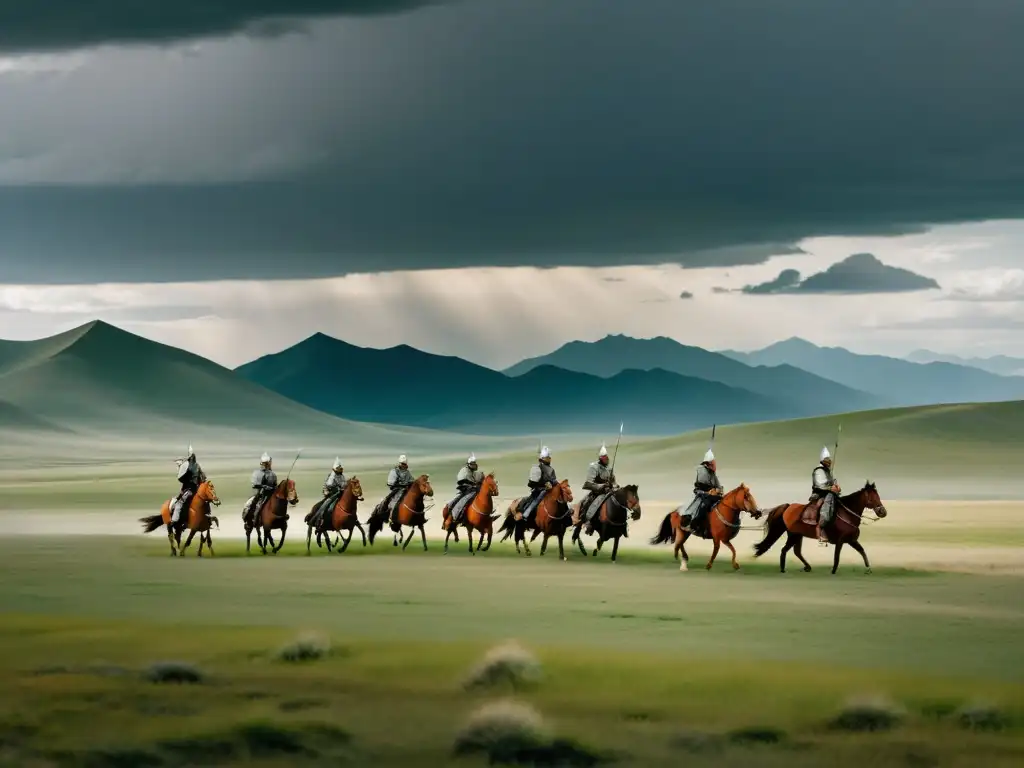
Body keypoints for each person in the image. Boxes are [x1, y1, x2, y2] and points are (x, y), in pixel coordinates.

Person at [681, 448, 723, 534]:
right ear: (709, 463)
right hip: (702, 494)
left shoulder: (712, 473)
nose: (715, 464)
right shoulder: (702, 471)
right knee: (704, 506)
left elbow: (718, 486)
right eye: (713, 462)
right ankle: (694, 524)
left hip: (712, 495)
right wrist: (709, 491)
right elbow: (701, 486)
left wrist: (718, 490)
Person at [577, 444, 617, 534]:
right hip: (597, 493)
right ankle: (588, 522)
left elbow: (614, 482)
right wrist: (601, 486)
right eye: (603, 456)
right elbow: (588, 483)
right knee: (594, 504)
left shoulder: (609, 468)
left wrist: (615, 486)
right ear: (600, 458)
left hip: (609, 492)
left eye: (606, 456)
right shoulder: (593, 467)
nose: (606, 458)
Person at [171, 445, 205, 530]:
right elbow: (203, 477)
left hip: (190, 490)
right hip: (198, 490)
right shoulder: (197, 466)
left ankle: (174, 521)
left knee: (179, 503)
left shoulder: (187, 467)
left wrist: (180, 467)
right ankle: (207, 514)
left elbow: (182, 478)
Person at [811, 446, 841, 541]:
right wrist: (830, 488)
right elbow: (820, 484)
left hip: (830, 492)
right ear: (823, 461)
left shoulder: (827, 471)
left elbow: (833, 481)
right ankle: (821, 526)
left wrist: (836, 486)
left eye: (829, 459)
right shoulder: (818, 471)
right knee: (828, 502)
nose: (829, 461)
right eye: (827, 460)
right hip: (820, 494)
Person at [520, 446, 557, 523]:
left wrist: (553, 483)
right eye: (548, 458)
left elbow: (554, 480)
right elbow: (534, 482)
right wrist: (544, 485)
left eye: (549, 458)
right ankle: (526, 513)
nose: (550, 459)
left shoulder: (551, 469)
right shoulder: (538, 468)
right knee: (537, 499)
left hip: (550, 489)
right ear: (544, 458)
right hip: (540, 490)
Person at [448, 454, 484, 527]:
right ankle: (457, 516)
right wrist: (473, 484)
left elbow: (479, 479)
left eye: (475, 464)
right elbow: (462, 481)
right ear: (469, 464)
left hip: (474, 489)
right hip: (465, 490)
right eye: (472, 464)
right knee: (464, 500)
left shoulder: (475, 472)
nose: (474, 465)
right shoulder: (464, 471)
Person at [313, 457, 348, 531]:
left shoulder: (342, 476)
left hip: (340, 494)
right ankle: (321, 520)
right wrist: (329, 491)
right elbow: (329, 485)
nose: (340, 469)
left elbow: (345, 484)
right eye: (339, 468)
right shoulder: (331, 476)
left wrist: (344, 488)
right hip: (331, 494)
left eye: (340, 468)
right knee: (326, 506)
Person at [246, 453, 277, 525]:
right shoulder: (257, 473)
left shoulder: (273, 474)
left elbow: (275, 485)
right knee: (253, 505)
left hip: (272, 494)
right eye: (266, 463)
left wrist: (275, 488)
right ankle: (253, 520)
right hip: (261, 494)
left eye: (269, 463)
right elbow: (254, 485)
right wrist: (265, 487)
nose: (268, 464)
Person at [386, 455, 414, 527]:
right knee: (395, 502)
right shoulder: (394, 471)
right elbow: (390, 483)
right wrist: (401, 485)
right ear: (399, 463)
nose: (403, 465)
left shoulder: (407, 472)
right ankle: (391, 517)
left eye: (404, 464)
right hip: (397, 490)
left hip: (406, 490)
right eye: (402, 463)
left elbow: (412, 480)